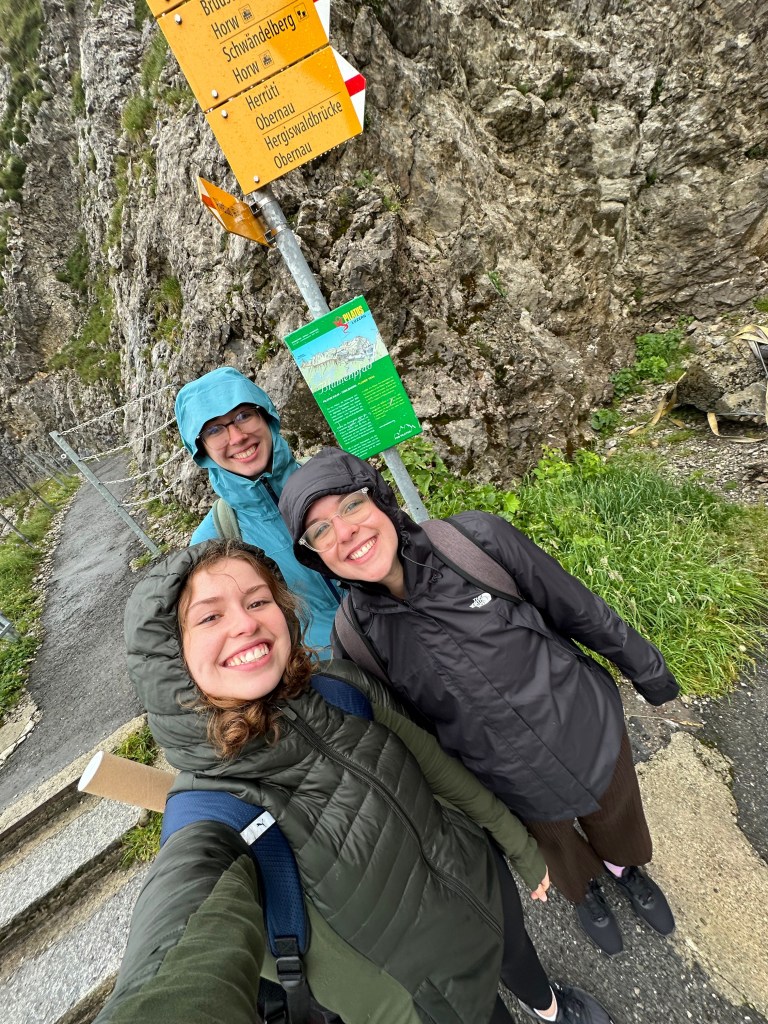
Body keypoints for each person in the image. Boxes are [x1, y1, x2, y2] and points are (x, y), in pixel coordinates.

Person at [102, 538, 614, 1024]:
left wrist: (519, 849)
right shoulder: (212, 817)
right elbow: (175, 957)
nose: (245, 625)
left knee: (521, 956)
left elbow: (441, 773)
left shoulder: (340, 689)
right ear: (169, 659)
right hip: (424, 998)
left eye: (258, 601)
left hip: (483, 885)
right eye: (210, 616)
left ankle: (549, 1007)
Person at [279, 447, 680, 957]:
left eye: (351, 506)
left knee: (619, 814)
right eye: (320, 531)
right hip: (511, 782)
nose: (345, 532)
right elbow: (419, 739)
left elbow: (577, 607)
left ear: (379, 500)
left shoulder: (475, 542)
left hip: (587, 725)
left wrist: (649, 671)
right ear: (314, 555)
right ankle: (586, 892)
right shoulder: (355, 639)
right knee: (554, 848)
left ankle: (625, 868)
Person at [174, 366, 340, 651]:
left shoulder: (334, 480)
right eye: (214, 430)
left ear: (266, 416)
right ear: (202, 450)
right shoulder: (214, 542)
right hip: (328, 682)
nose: (237, 437)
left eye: (243, 415)